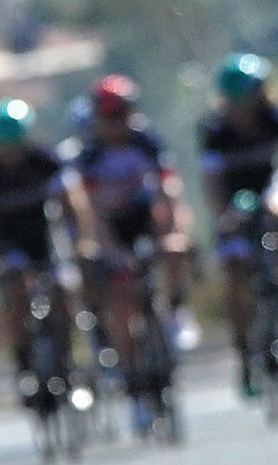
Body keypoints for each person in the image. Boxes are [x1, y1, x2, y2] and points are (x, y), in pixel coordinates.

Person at [71, 75, 199, 430]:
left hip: (146, 219)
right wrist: (109, 252)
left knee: (175, 249)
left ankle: (176, 311)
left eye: (123, 114)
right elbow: (89, 212)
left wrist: (174, 232)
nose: (117, 123)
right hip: (110, 227)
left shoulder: (147, 142)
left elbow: (170, 192)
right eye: (109, 117)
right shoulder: (90, 155)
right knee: (122, 304)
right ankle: (134, 387)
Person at [198, 53, 278, 398]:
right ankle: (244, 355)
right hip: (234, 199)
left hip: (271, 187)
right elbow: (211, 181)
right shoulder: (214, 130)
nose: (246, 106)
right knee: (235, 272)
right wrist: (222, 217)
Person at [0, 99, 99, 402]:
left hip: (47, 241)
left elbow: (74, 205)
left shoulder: (47, 162)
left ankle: (68, 360)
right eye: (4, 145)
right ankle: (25, 362)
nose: (11, 152)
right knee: (16, 295)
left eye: (16, 144)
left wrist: (82, 243)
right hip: (9, 246)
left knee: (64, 289)